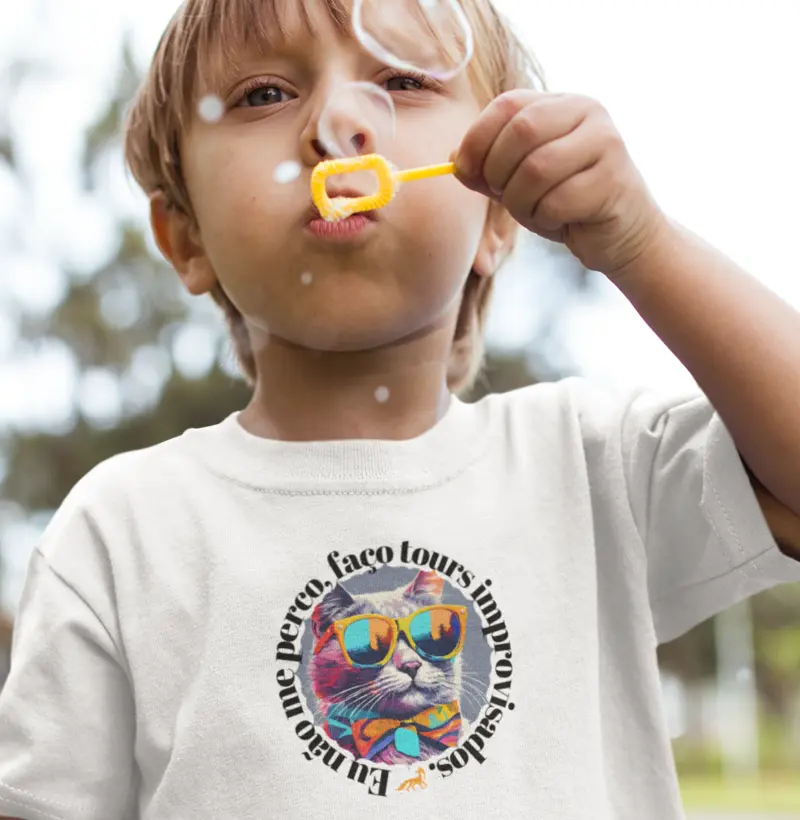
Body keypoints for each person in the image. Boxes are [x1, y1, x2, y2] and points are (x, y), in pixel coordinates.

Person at [1, 0, 799, 817]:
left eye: (403, 81)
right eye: (265, 95)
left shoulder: (596, 468)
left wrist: (642, 244)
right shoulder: (122, 532)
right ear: (186, 238)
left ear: (496, 215)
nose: (337, 125)